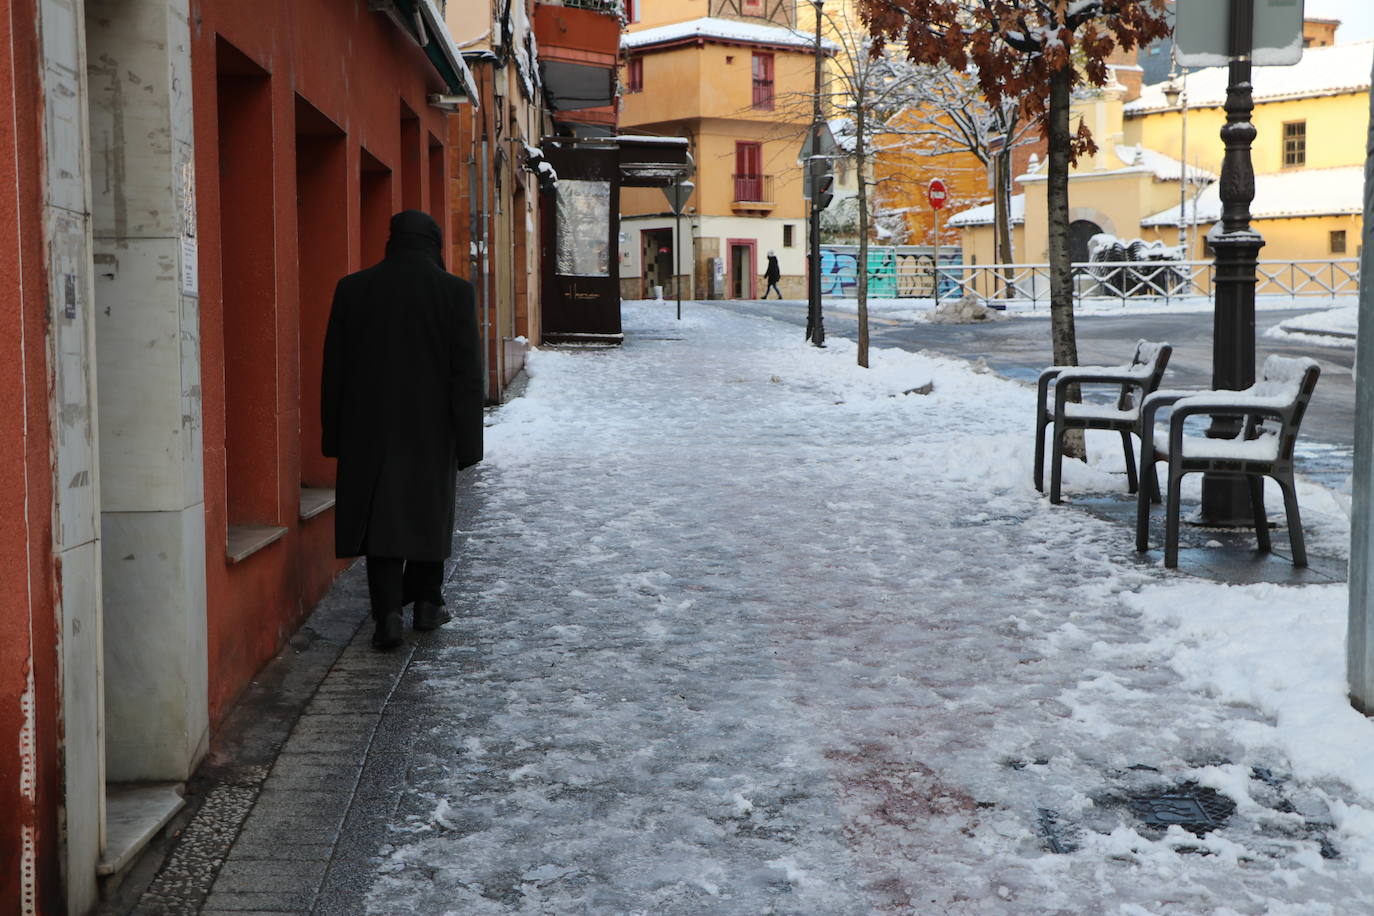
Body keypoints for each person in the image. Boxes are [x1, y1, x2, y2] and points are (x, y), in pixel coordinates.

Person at [321, 210, 485, 650]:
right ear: (433, 244)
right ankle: (428, 604)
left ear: (392, 241)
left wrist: (334, 435)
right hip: (433, 429)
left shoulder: (353, 289)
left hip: (368, 430)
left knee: (382, 520)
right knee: (428, 514)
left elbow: (334, 369)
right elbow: (467, 374)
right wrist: (470, 441)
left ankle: (388, 614)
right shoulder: (454, 293)